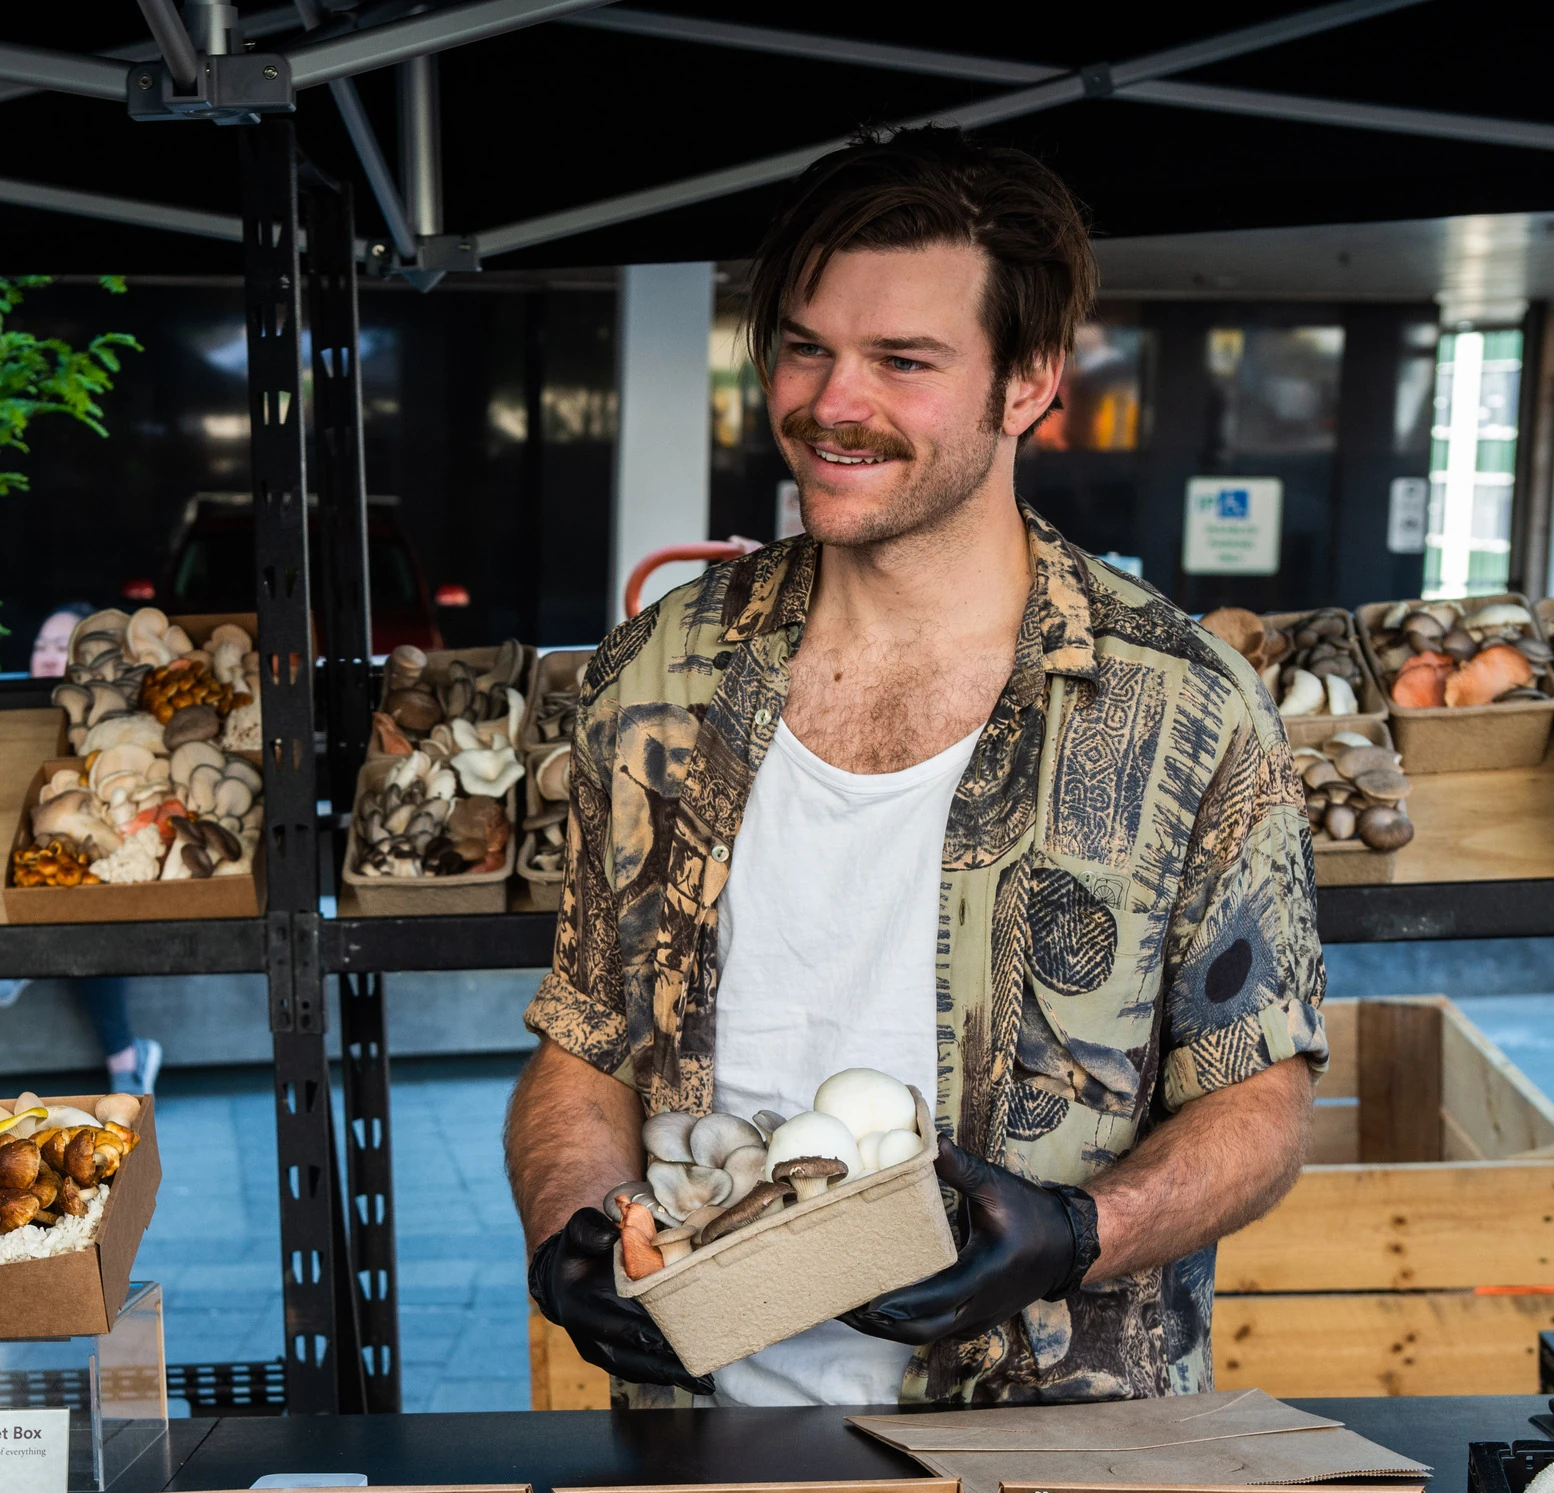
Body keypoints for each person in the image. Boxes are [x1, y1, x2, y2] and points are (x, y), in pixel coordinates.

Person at [509, 128, 1323, 1409]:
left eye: (903, 361)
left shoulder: (1183, 708)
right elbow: (586, 1051)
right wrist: (570, 1234)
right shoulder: (654, 676)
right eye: (806, 347)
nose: (835, 403)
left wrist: (1080, 1231)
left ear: (1030, 382)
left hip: (1049, 1469)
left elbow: (1262, 1101)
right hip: (698, 1451)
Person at [0, 604, 163, 1096]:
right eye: (41, 647)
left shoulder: (121, 717)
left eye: (62, 646)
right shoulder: (9, 715)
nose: (48, 656)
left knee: (83, 917)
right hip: (32, 867)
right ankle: (126, 1056)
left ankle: (125, 1058)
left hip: (110, 878)